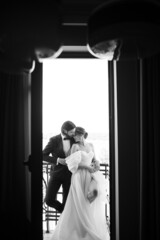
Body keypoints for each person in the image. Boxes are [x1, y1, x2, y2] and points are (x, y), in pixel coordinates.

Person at [50, 127, 109, 240]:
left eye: (76, 135)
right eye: (74, 136)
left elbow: (94, 159)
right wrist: (87, 167)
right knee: (80, 203)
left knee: (90, 200)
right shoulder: (74, 147)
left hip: (90, 176)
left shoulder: (90, 145)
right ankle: (80, 230)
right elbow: (72, 165)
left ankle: (87, 227)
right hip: (78, 176)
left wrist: (96, 163)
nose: (74, 137)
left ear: (82, 134)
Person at [43, 120, 76, 213]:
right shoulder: (53, 140)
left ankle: (65, 222)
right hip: (56, 175)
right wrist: (57, 160)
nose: (74, 133)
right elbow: (42, 155)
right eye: (71, 132)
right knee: (49, 200)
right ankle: (64, 212)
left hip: (70, 175)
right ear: (65, 131)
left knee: (67, 203)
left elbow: (84, 150)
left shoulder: (74, 139)